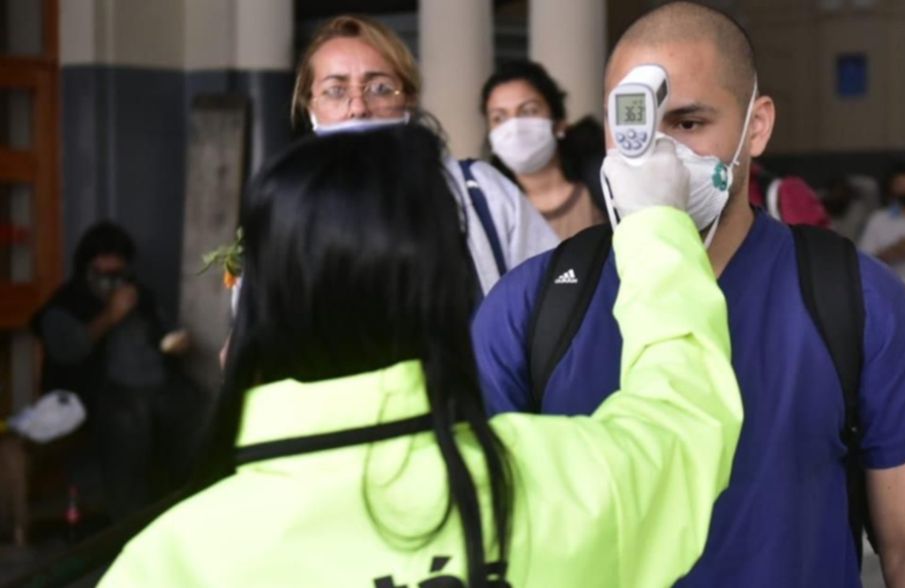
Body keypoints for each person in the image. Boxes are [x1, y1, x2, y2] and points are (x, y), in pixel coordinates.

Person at [99, 126, 743, 586]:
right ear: (445, 296)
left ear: (260, 314)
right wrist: (656, 224)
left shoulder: (173, 562)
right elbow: (684, 418)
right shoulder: (563, 485)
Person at [472, 3, 905, 587]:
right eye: (632, 126)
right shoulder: (531, 309)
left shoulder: (855, 300)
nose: (653, 157)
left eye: (687, 124)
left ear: (756, 128)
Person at [292, 15, 558, 294]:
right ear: (310, 108)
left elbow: (556, 301)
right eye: (335, 91)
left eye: (380, 88)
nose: (358, 108)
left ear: (409, 99)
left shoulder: (483, 193)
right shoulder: (286, 210)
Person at [32, 223, 205, 519]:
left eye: (118, 273)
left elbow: (166, 332)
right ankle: (128, 522)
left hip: (156, 387)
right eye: (104, 273)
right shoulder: (66, 303)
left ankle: (183, 506)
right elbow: (68, 349)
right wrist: (110, 315)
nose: (112, 282)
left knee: (196, 406)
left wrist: (178, 341)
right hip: (95, 397)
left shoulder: (141, 297)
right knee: (129, 420)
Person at [481, 60, 608, 239]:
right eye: (499, 118)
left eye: (529, 111)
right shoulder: (488, 212)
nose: (514, 126)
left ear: (559, 124)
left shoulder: (604, 187)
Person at [859, 161, 905, 316]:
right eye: (902, 185)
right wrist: (892, 252)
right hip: (890, 301)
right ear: (892, 188)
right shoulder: (879, 220)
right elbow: (864, 262)